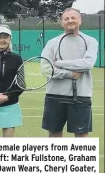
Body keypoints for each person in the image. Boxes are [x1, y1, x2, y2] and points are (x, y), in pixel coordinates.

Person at [41, 8, 98, 137]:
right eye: (66, 19)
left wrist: (59, 63)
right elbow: (45, 68)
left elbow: (87, 64)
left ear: (80, 20)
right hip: (54, 95)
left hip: (81, 96)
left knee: (81, 135)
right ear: (62, 23)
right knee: (54, 134)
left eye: (73, 18)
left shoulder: (91, 42)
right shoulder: (51, 43)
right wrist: (70, 74)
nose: (70, 21)